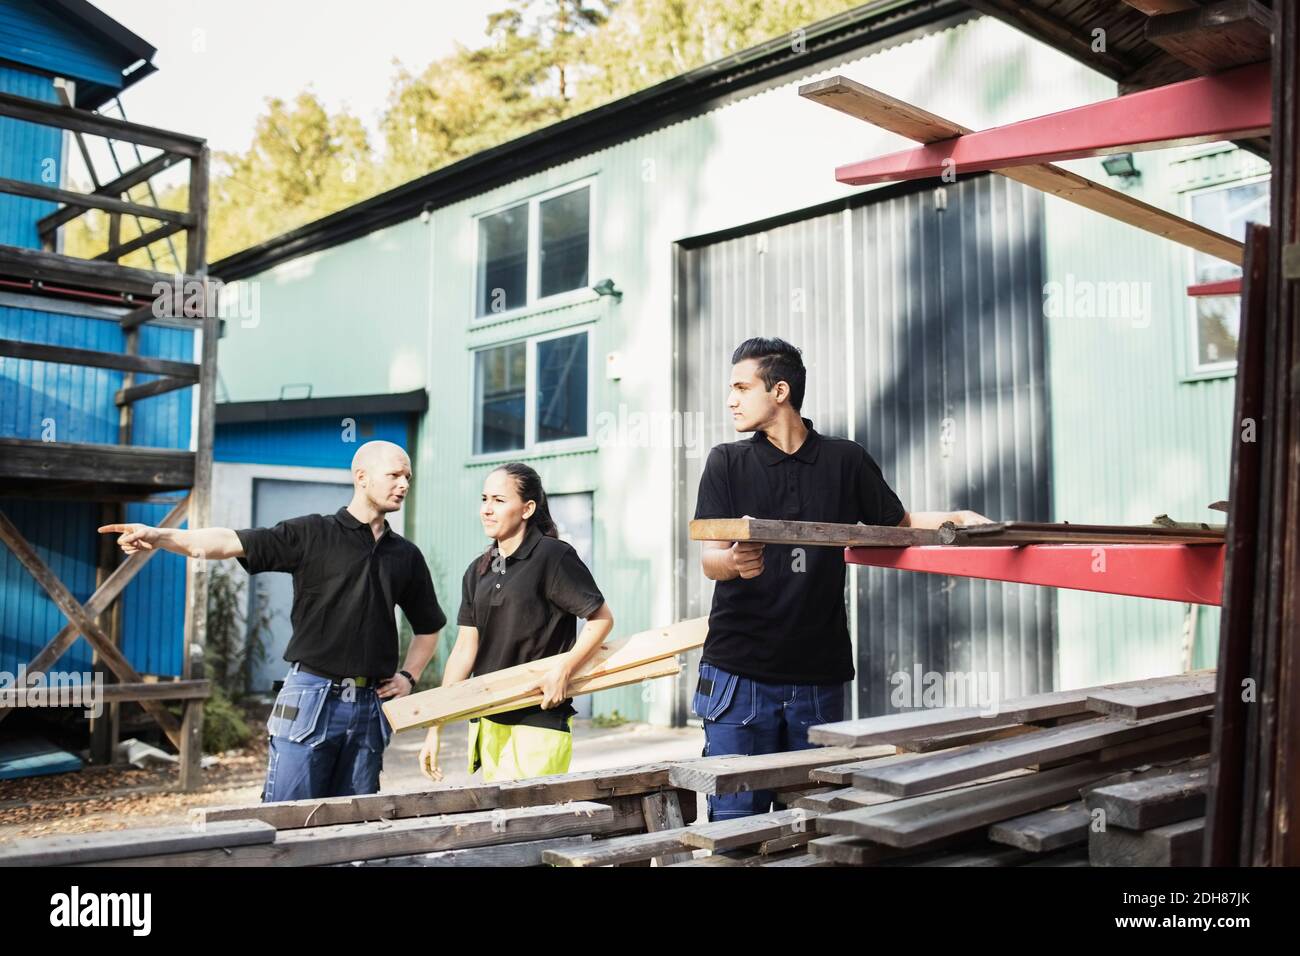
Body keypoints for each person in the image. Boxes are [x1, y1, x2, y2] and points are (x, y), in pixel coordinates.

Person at [694, 337, 992, 820]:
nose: (731, 399)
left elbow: (895, 526)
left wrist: (954, 518)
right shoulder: (726, 461)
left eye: (741, 387)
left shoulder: (844, 460)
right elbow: (710, 558)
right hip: (739, 674)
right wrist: (733, 563)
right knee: (735, 824)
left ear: (780, 391)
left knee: (815, 820)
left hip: (818, 677)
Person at [99, 440, 446, 802]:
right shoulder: (311, 534)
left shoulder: (405, 555)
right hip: (311, 695)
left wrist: (409, 676)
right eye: (394, 475)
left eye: (408, 476)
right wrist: (161, 536)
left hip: (367, 706)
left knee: (354, 823)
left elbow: (429, 626)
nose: (404, 484)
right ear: (361, 477)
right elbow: (229, 541)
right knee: (288, 819)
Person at [419, 462, 613, 783]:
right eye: (484, 499)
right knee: (499, 826)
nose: (487, 509)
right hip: (489, 718)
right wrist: (434, 727)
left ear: (527, 508)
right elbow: (465, 650)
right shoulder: (478, 571)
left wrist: (562, 671)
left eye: (498, 500)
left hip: (539, 718)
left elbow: (601, 618)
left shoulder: (553, 556)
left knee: (531, 825)